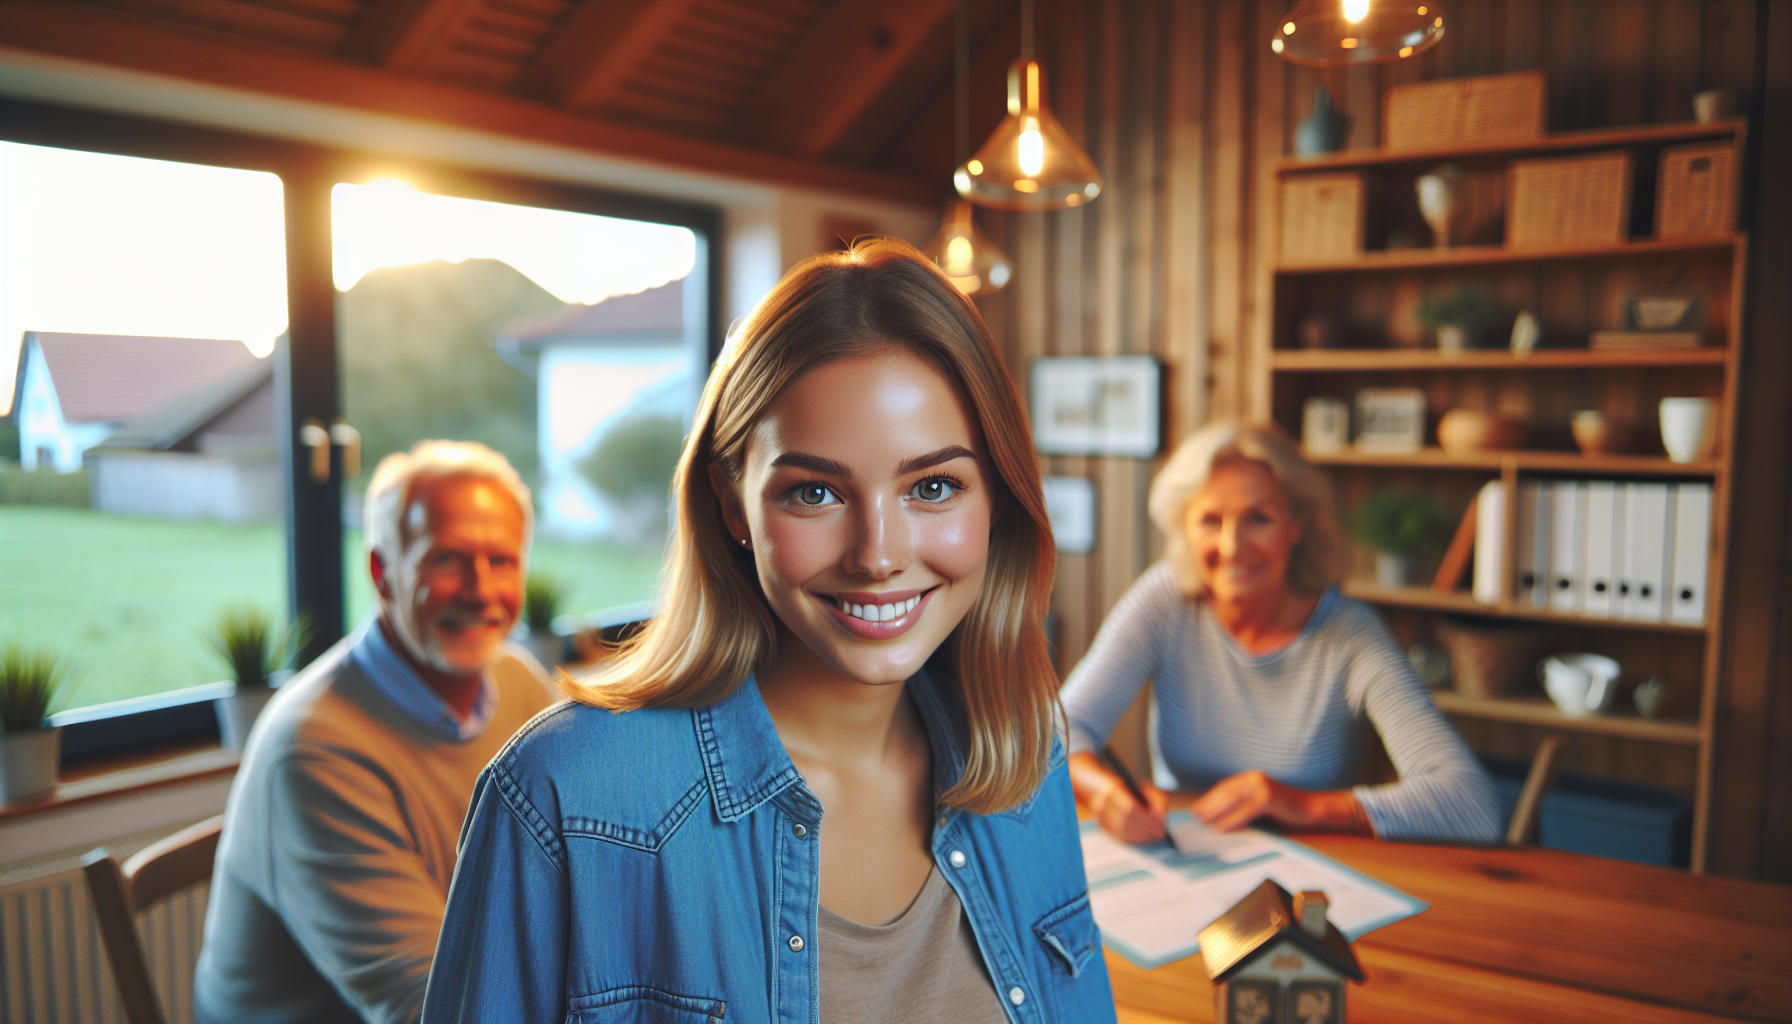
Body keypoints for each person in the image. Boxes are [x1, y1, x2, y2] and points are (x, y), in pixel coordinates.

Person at [422, 239, 1115, 1024]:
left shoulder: (1024, 748)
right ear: (732, 505)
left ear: (998, 501)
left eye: (932, 486)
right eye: (815, 492)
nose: (878, 556)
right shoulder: (565, 796)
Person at [195, 440, 557, 1024]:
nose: (480, 589)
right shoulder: (314, 750)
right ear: (381, 571)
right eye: (446, 559)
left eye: (502, 560)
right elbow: (433, 1009)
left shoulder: (521, 684)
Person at [1062, 422, 1501, 845]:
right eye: (1210, 520)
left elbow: (1471, 805)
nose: (1232, 546)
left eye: (1259, 518)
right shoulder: (1165, 599)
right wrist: (1101, 791)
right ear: (1184, 528)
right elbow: (1055, 732)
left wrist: (1301, 805)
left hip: (1314, 877)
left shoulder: (1350, 634)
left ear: (1298, 524)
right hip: (1186, 856)